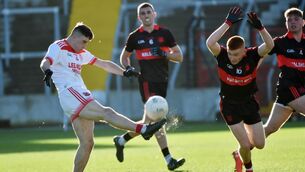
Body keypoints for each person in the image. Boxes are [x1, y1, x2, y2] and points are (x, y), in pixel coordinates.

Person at [39, 22, 166, 172]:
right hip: (71, 93)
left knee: (87, 144)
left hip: (78, 95)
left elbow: (103, 64)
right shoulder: (58, 46)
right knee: (107, 113)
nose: (84, 46)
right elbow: (45, 62)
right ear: (74, 36)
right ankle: (143, 129)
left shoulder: (81, 53)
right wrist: (47, 71)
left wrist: (124, 72)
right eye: (84, 42)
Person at [113, 2, 185, 171]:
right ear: (139, 17)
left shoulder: (165, 33)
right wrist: (128, 68)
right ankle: (169, 160)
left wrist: (165, 53)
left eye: (148, 12)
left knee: (148, 123)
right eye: (142, 13)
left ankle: (122, 140)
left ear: (154, 14)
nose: (146, 15)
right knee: (157, 119)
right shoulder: (134, 36)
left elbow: (179, 56)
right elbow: (124, 57)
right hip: (146, 82)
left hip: (162, 82)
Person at [206, 7, 274, 172]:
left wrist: (261, 28)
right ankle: (248, 168)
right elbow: (209, 43)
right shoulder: (222, 56)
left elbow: (270, 45)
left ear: (244, 51)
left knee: (259, 144)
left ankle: (239, 155)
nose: (232, 57)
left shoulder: (252, 55)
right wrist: (227, 23)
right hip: (229, 106)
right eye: (230, 54)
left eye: (236, 54)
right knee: (245, 144)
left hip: (249, 103)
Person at [264, 8, 305, 137]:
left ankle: (242, 149)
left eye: (296, 19)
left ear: (303, 22)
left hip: (299, 91)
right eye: (289, 20)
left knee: (269, 128)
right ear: (286, 24)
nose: (293, 22)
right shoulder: (279, 42)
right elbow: (259, 54)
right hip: (289, 89)